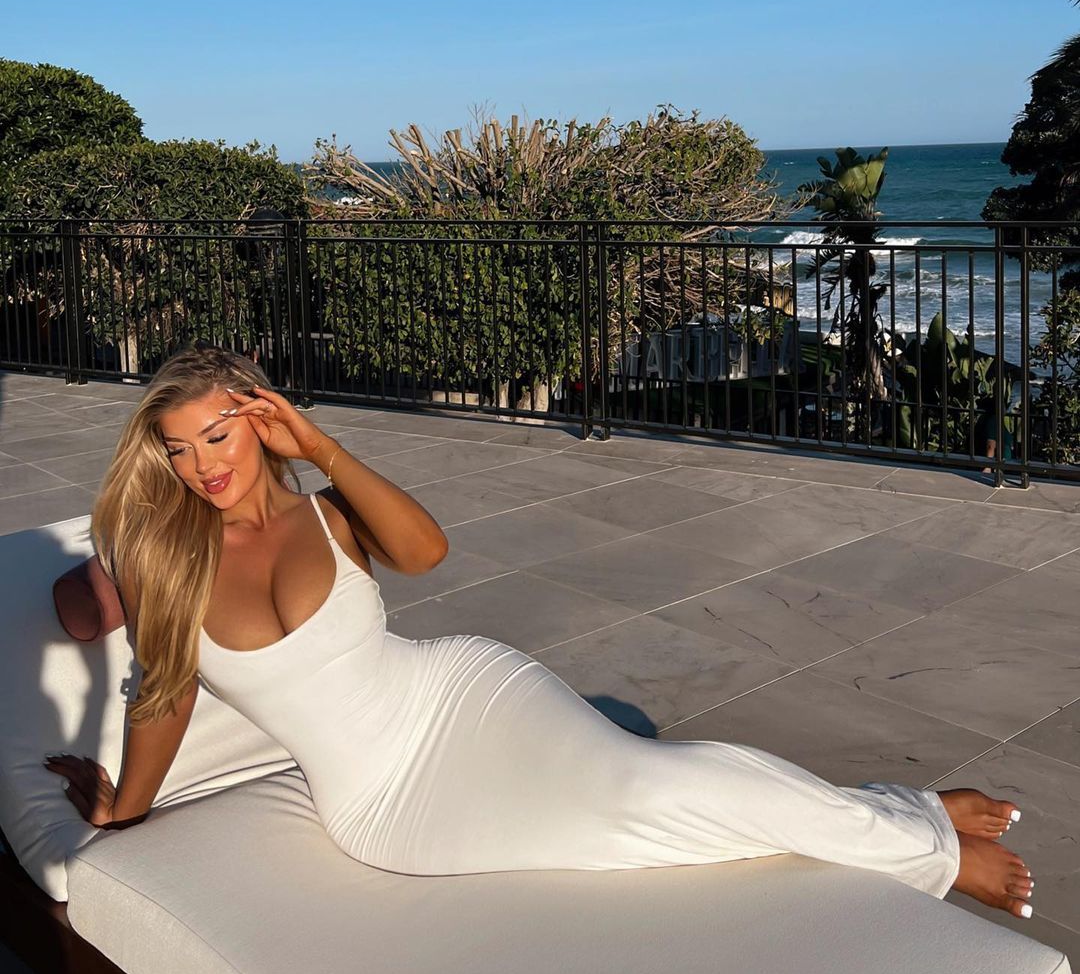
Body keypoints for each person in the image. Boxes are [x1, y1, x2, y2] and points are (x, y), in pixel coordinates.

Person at [46, 344, 1034, 919]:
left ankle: (923, 843)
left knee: (656, 779)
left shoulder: (329, 514)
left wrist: (322, 445)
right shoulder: (169, 562)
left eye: (218, 434)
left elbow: (426, 551)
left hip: (466, 695)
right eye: (179, 449)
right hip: (385, 803)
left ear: (260, 420)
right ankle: (906, 812)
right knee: (637, 824)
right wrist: (125, 809)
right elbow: (163, 695)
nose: (203, 465)